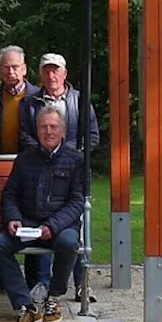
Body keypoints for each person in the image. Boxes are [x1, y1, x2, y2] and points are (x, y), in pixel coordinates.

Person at [0, 106, 87, 322]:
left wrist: (51, 226)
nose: (48, 131)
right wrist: (13, 218)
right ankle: (26, 306)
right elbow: (10, 194)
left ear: (63, 131)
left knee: (69, 243)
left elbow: (76, 202)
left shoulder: (76, 160)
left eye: (53, 127)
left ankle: (53, 298)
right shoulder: (25, 159)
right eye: (43, 127)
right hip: (29, 224)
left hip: (61, 226)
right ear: (37, 131)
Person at [18, 52, 100, 303]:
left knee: (76, 226)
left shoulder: (80, 101)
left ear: (65, 74)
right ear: (40, 74)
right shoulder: (30, 103)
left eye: (56, 70)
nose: (51, 75)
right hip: (40, 169)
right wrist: (43, 152)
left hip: (71, 172)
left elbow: (93, 137)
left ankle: (81, 284)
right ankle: (41, 284)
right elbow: (24, 136)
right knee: (41, 218)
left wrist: (65, 153)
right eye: (46, 71)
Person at [0, 45, 43, 296]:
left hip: (32, 169)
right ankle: (5, 279)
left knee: (34, 219)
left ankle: (36, 281)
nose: (11, 71)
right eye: (6, 67)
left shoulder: (37, 97)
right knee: (2, 221)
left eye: (16, 66)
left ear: (24, 69)